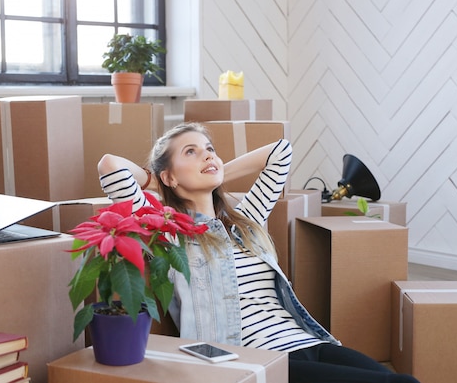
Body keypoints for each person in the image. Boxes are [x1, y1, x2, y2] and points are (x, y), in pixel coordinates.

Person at [97, 122, 419, 383]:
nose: (207, 155)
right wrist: (157, 181)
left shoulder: (246, 221)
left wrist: (216, 170)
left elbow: (281, 151)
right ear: (170, 175)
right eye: (191, 152)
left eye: (210, 149)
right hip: (255, 362)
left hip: (307, 342)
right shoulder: (170, 233)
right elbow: (110, 166)